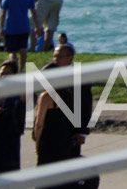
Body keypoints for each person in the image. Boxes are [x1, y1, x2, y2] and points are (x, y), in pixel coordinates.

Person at [32, 42, 98, 189]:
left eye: (59, 56)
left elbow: (85, 105)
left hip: (71, 132)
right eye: (54, 55)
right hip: (52, 130)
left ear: (69, 58)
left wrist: (82, 132)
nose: (55, 59)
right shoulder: (48, 70)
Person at [0, 58, 27, 175]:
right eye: (1, 73)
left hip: (10, 140)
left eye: (7, 74)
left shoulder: (19, 94)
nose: (3, 76)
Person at [0, 0, 37, 67]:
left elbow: (2, 14)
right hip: (24, 27)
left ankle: (13, 68)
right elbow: (34, 13)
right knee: (23, 49)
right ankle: (21, 69)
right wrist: (37, 26)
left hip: (11, 28)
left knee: (12, 51)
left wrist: (1, 27)